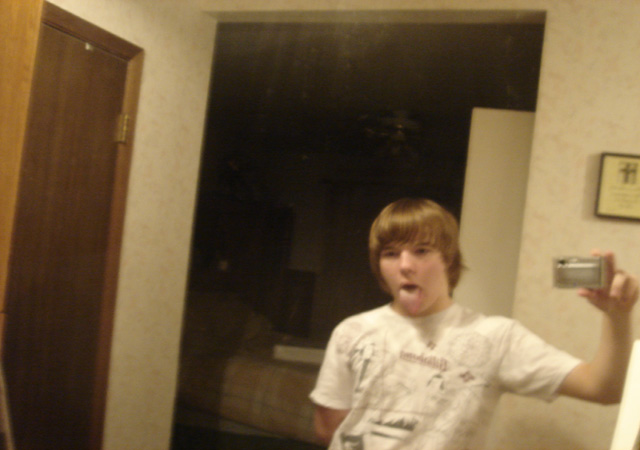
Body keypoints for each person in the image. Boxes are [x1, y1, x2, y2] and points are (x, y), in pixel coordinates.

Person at [309, 198, 638, 450]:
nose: (405, 265)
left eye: (421, 250)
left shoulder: (495, 338)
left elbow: (605, 389)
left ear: (448, 259)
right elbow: (328, 428)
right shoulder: (352, 331)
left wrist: (617, 316)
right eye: (391, 254)